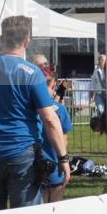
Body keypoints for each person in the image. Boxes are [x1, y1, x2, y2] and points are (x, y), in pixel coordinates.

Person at [0, 15, 70, 211]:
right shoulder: (31, 73)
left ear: (2, 38)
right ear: (27, 40)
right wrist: (63, 157)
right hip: (22, 153)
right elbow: (50, 119)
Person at [40, 72, 73, 203]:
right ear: (53, 86)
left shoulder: (29, 108)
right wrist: (64, 159)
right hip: (56, 162)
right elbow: (64, 140)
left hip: (34, 164)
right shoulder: (60, 109)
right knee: (55, 205)